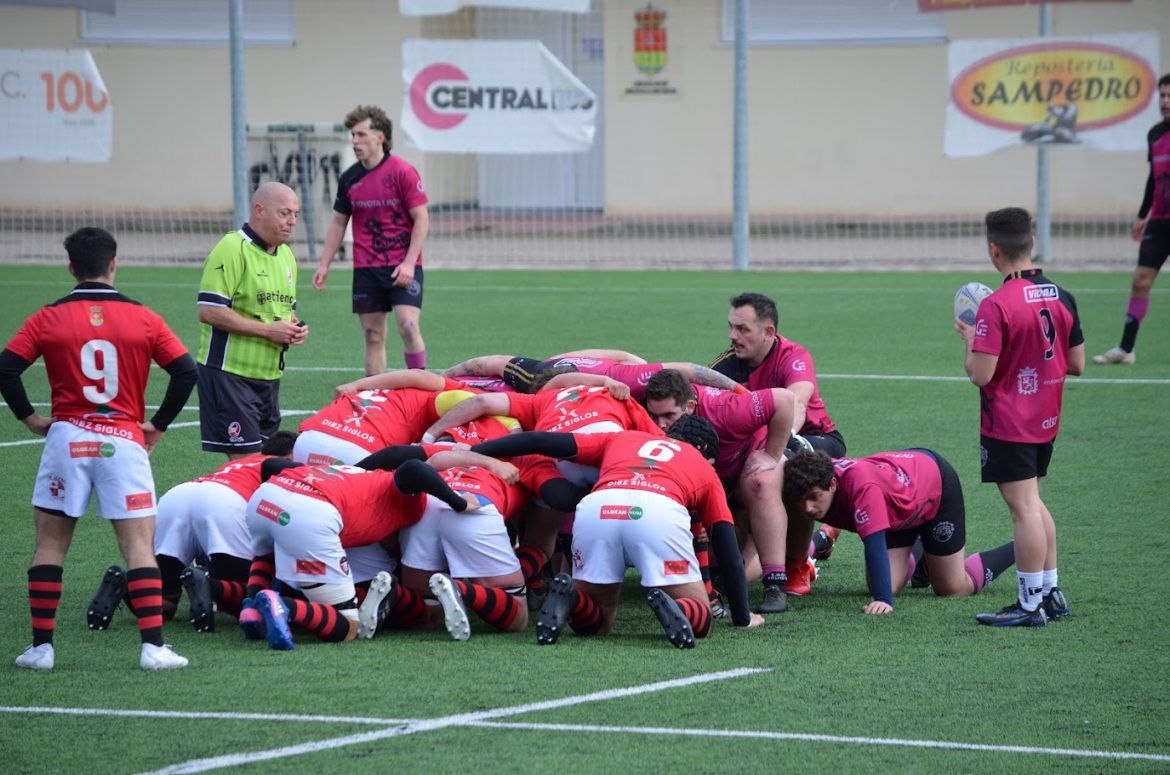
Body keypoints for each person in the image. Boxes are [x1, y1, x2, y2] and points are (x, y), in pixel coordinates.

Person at [0, 227, 198, 671]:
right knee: (138, 547)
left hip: (67, 438)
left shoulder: (48, 317)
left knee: (50, 544)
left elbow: (6, 368)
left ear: (70, 267)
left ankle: (41, 649)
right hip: (123, 441)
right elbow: (186, 373)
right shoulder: (144, 317)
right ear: (114, 263)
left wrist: (30, 418)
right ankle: (152, 649)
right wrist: (159, 426)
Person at [470, 415, 766, 648]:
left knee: (598, 622)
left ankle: (571, 597)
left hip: (598, 506)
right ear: (707, 455)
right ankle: (680, 609)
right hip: (657, 510)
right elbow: (726, 546)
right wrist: (742, 617)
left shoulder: (623, 438)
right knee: (701, 618)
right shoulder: (703, 467)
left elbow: (540, 440)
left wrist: (476, 452)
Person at [957, 207, 1084, 627]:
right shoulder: (1062, 295)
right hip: (1046, 419)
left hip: (1009, 422)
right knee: (1034, 502)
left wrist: (973, 339)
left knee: (1023, 509)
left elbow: (981, 374)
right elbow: (1077, 362)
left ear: (994, 251)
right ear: (1031, 242)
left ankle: (1029, 604)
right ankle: (1050, 592)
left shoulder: (996, 305)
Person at [709, 292, 846, 601]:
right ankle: (817, 543)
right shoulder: (726, 366)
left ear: (768, 332)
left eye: (743, 329)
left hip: (815, 439)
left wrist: (776, 450)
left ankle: (794, 569)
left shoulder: (793, 356)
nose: (733, 336)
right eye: (731, 327)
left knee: (781, 470)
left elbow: (796, 402)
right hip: (760, 447)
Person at [782, 449, 1016, 614]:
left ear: (833, 484)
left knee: (952, 588)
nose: (807, 508)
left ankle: (1020, 546)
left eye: (814, 498)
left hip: (935, 485)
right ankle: (922, 547)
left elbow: (875, 548)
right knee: (880, 583)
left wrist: (884, 601)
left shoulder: (863, 490)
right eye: (801, 500)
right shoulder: (809, 479)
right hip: (897, 507)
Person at [642, 369, 800, 613]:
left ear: (691, 406)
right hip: (706, 481)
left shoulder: (725, 410)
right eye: (653, 415)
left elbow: (784, 399)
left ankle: (775, 585)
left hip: (743, 471)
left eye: (668, 415)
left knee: (762, 482)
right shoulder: (647, 415)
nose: (660, 425)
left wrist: (771, 455)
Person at [312, 105, 429, 376]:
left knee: (408, 326)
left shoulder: (403, 172)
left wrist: (410, 263)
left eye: (362, 134)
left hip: (402, 264)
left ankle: (421, 383)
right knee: (373, 335)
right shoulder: (349, 179)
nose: (355, 141)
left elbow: (421, 219)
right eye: (353, 135)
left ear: (381, 137)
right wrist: (324, 264)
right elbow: (339, 222)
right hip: (366, 267)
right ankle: (375, 396)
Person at [196, 181, 308, 459]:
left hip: (269, 378)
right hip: (229, 374)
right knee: (245, 464)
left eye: (296, 214)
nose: (293, 221)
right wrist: (270, 331)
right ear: (259, 210)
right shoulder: (232, 248)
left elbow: (282, 312)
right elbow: (209, 310)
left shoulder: (286, 257)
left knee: (269, 461)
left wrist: (294, 328)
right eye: (285, 213)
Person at [1093, 73, 1170, 365]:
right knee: (1140, 280)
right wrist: (1142, 215)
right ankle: (1126, 349)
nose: (1165, 101)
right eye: (1162, 95)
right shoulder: (1155, 134)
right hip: (1161, 221)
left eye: (1169, 96)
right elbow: (1154, 178)